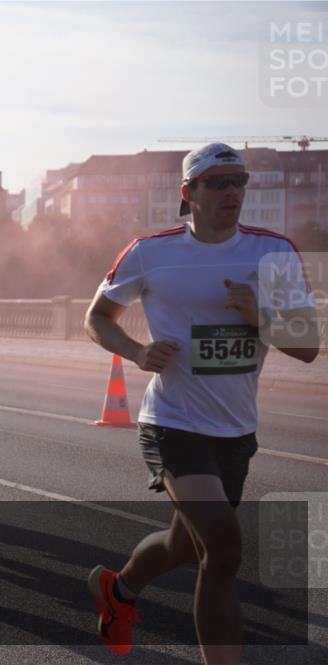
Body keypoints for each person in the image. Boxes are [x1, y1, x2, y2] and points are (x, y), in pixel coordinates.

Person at [84, 143, 320, 662]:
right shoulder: (151, 251)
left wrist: (260, 317)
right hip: (172, 422)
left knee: (184, 547)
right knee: (224, 550)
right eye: (218, 182)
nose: (232, 191)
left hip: (235, 430)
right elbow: (97, 318)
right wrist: (138, 351)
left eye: (239, 181)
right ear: (188, 192)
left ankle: (118, 590)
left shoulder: (272, 251)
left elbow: (307, 348)